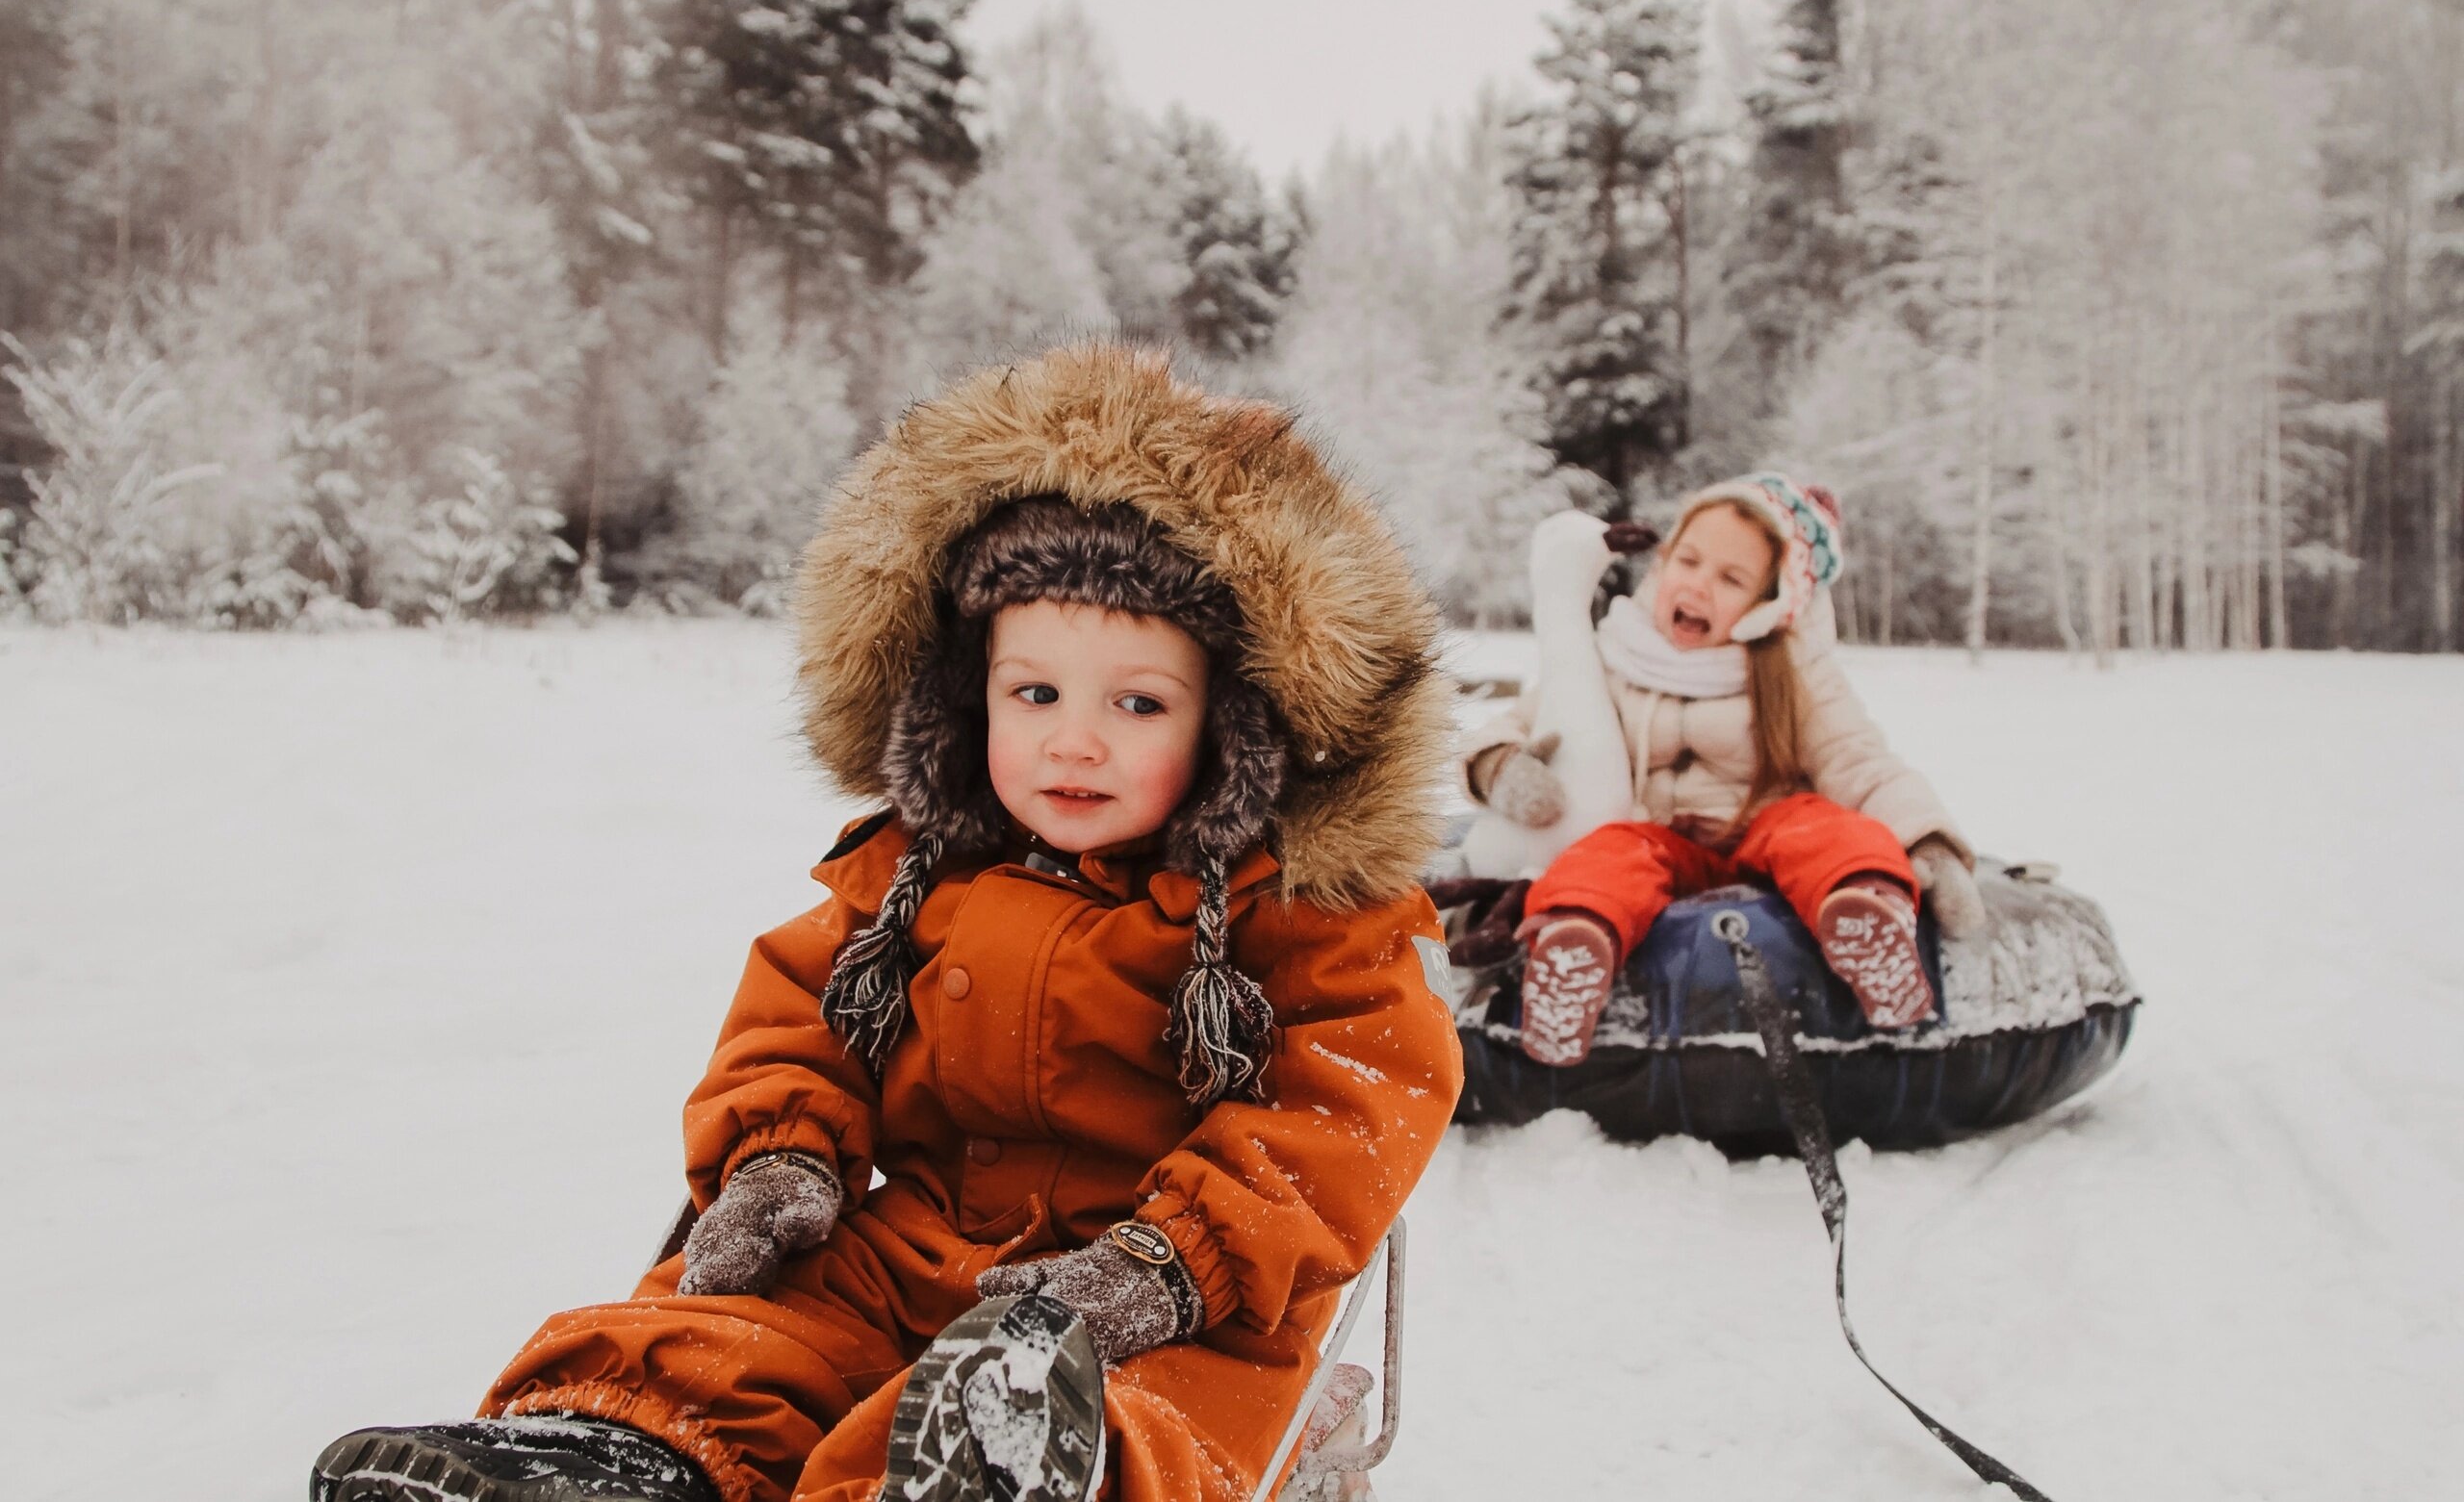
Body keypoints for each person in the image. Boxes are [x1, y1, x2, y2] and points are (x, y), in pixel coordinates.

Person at [311, 344, 1465, 1502]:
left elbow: (1349, 1106)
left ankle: (1003, 1480)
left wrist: (1176, 1260)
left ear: (1234, 729)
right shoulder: (914, 875)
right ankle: (621, 1452)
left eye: (1137, 702)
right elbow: (801, 1019)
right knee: (744, 1336)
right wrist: (781, 1153)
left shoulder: (1299, 915)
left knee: (1130, 1427)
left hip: (1162, 1300)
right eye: (1036, 694)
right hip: (913, 1246)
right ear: (967, 699)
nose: (1074, 739)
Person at [1460, 474, 1988, 1066]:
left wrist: (1931, 842)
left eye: (1731, 578)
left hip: (1761, 834)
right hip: (1653, 836)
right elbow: (1519, 721)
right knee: (1604, 854)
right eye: (1688, 560)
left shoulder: (1792, 671)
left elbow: (1859, 762)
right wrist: (1497, 765)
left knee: (1819, 823)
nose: (1699, 585)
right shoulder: (1615, 652)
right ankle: (1574, 948)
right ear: (1663, 564)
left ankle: (1865, 916)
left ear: (1768, 604)